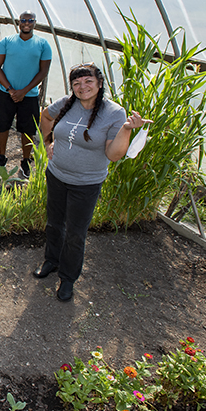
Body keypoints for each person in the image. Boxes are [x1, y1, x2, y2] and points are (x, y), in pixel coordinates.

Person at [33, 64, 150, 301]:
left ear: (99, 83)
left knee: (76, 233)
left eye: (87, 82)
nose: (82, 87)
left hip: (85, 184)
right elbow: (46, 115)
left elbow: (113, 155)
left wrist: (127, 129)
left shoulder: (113, 113)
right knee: (54, 224)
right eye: (76, 83)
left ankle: (67, 278)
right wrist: (48, 143)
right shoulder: (68, 103)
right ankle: (51, 261)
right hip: (56, 175)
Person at [0, 11, 52, 178]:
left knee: (27, 129)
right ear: (18, 23)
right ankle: (1, 157)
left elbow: (43, 71)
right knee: (2, 125)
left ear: (35, 22)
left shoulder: (43, 44)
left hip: (30, 95)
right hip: (6, 93)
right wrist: (10, 89)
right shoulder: (7, 42)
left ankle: (25, 161)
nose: (27, 23)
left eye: (30, 20)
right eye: (23, 20)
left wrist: (24, 91)